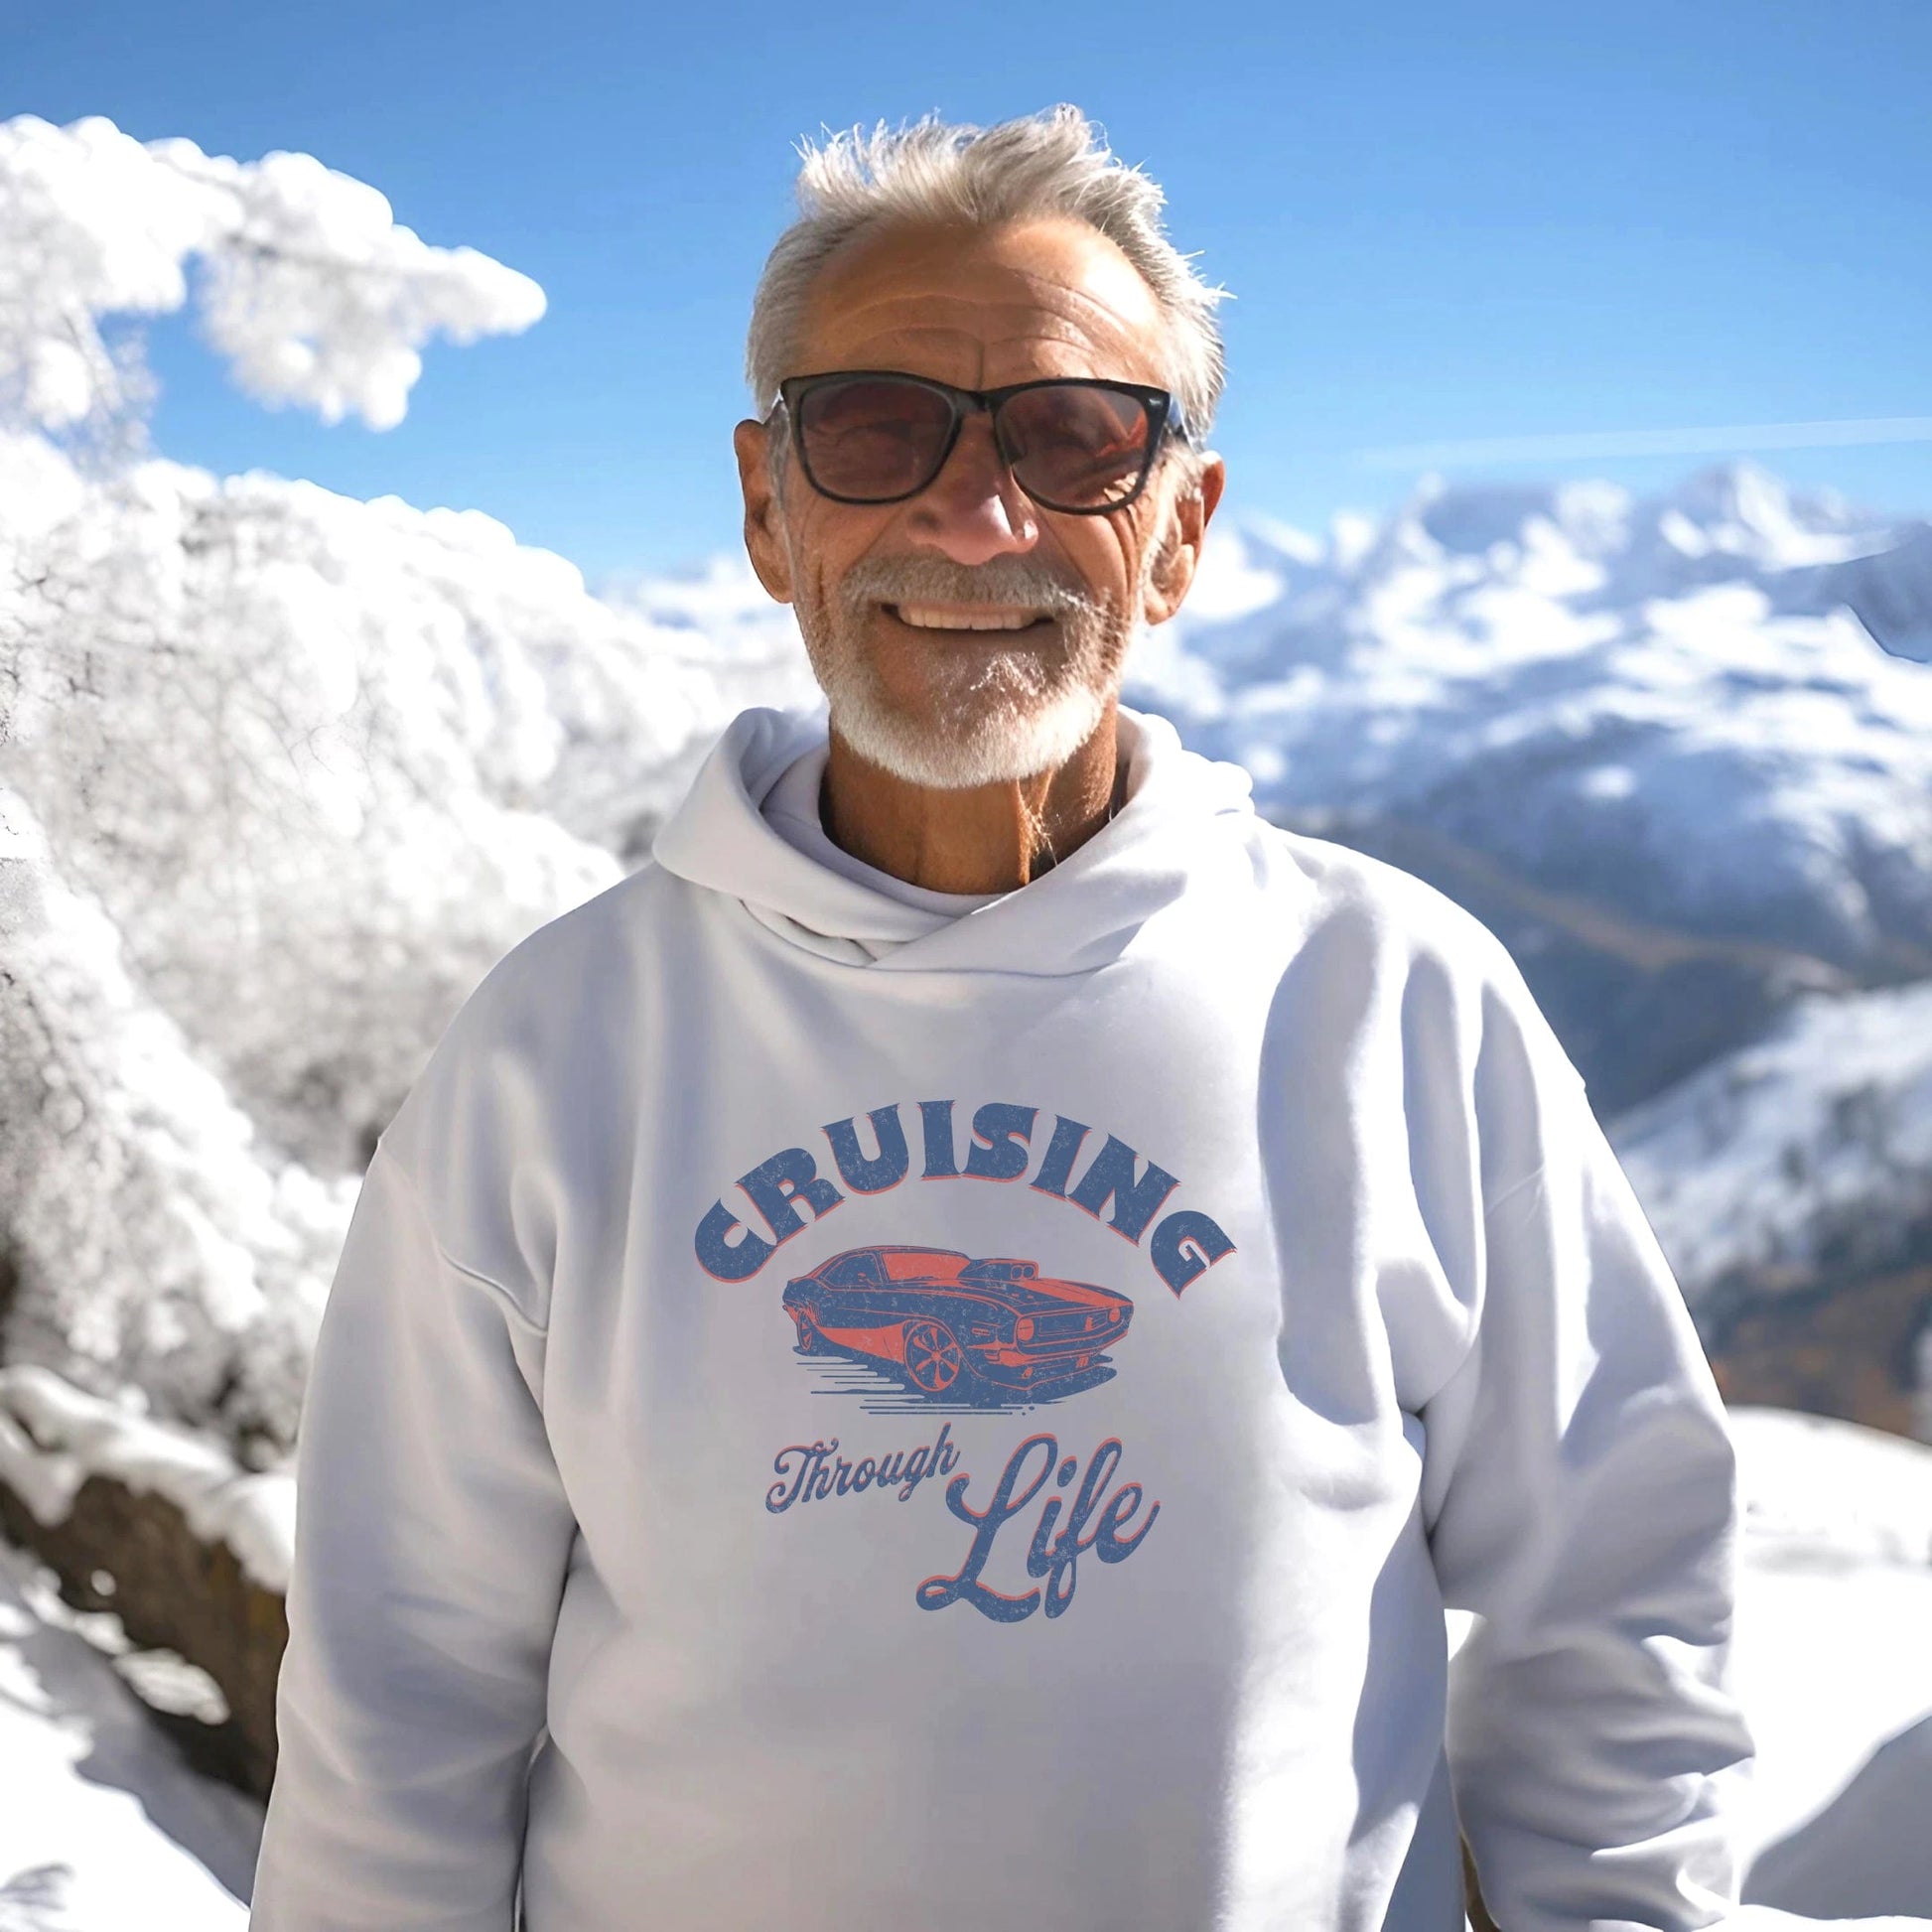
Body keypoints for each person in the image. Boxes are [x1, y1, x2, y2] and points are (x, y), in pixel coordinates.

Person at [251, 105, 1754, 1931]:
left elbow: (1620, 1600)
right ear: (766, 506)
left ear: (1178, 530)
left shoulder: (1393, 1004)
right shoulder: (559, 1049)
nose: (977, 517)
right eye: (876, 428)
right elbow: (396, 1719)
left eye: (1075, 437)